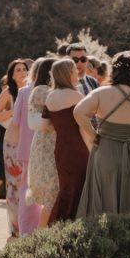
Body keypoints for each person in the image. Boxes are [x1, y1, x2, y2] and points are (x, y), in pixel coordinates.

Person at [75, 52, 130, 216]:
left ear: (113, 71)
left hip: (107, 152)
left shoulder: (101, 93)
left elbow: (78, 112)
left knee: (104, 204)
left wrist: (93, 134)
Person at [41, 59, 88, 223]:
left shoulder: (50, 97)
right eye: (74, 70)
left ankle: (58, 225)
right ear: (68, 73)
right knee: (79, 188)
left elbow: (45, 126)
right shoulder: (77, 96)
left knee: (66, 188)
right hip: (78, 149)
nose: (77, 72)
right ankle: (70, 224)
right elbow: (83, 128)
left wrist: (62, 127)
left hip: (61, 149)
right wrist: (92, 147)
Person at [0, 59, 29, 237]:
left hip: (29, 140)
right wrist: (15, 110)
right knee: (14, 184)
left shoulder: (32, 91)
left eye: (24, 69)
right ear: (12, 75)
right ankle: (16, 226)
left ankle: (29, 223)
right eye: (18, 70)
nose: (22, 72)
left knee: (28, 182)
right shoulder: (9, 92)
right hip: (13, 143)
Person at [15, 57, 52, 236]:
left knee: (27, 191)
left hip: (26, 149)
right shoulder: (55, 93)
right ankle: (44, 229)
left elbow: (15, 121)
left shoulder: (23, 92)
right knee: (51, 190)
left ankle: (26, 232)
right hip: (49, 149)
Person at [25, 58, 59, 228]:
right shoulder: (43, 91)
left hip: (49, 143)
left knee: (53, 194)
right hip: (47, 144)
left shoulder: (47, 91)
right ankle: (41, 233)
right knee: (51, 193)